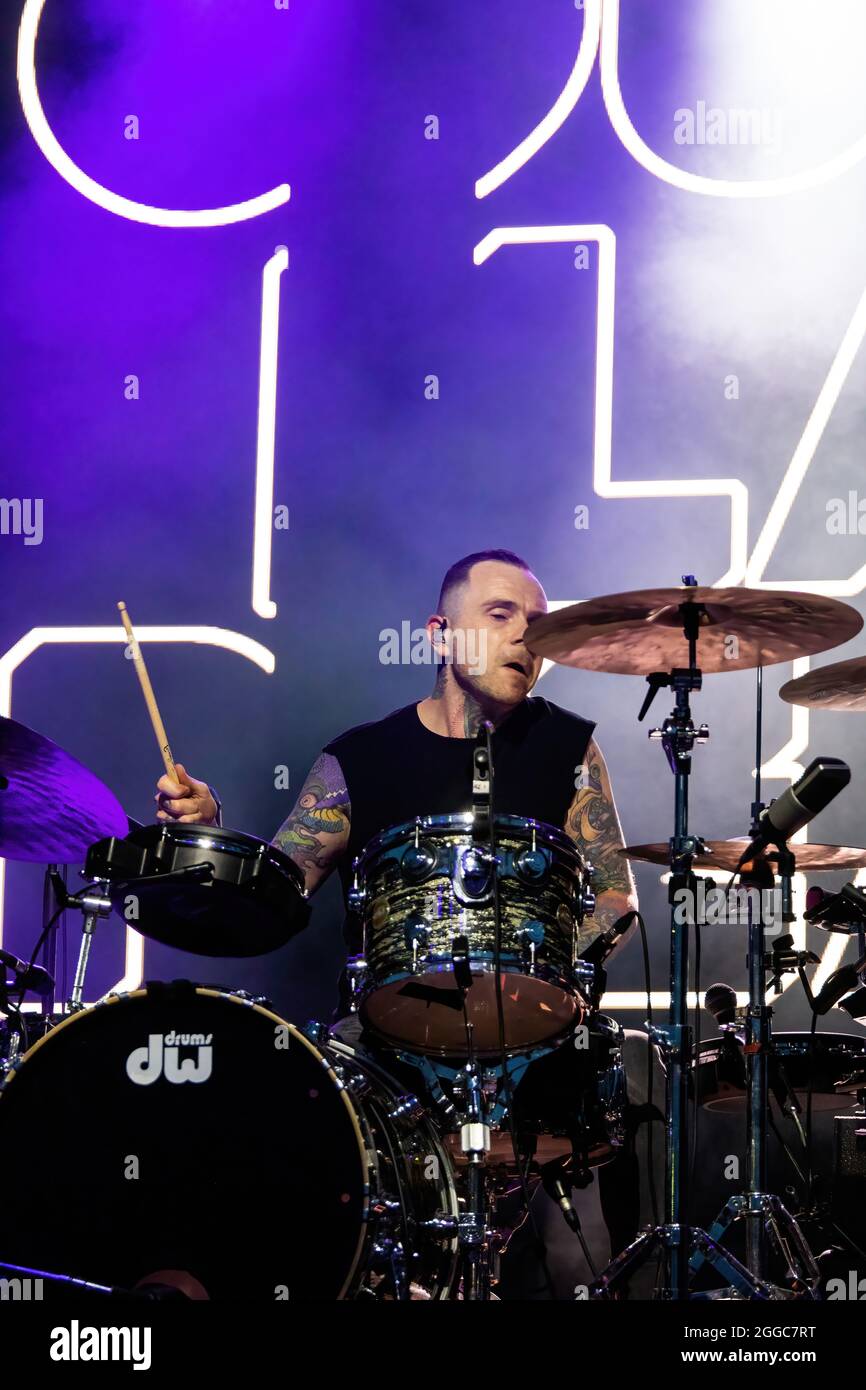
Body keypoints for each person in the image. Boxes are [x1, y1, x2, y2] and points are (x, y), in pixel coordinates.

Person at [155, 550, 663, 1298]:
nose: (527, 636)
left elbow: (617, 898)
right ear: (440, 634)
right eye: (500, 615)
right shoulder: (360, 760)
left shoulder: (570, 749)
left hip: (536, 1037)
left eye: (539, 623)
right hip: (386, 1045)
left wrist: (532, 981)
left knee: (578, 1258)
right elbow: (279, 888)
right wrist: (211, 831)